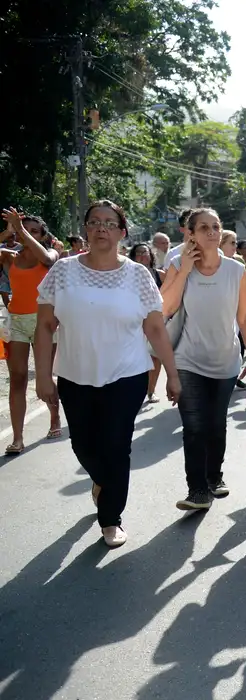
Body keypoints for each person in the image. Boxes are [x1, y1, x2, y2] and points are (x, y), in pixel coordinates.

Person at [33, 200, 181, 548]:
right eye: (95, 222)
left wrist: (172, 375)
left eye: (110, 223)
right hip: (75, 375)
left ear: (122, 232)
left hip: (127, 375)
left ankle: (111, 518)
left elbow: (155, 329)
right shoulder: (63, 271)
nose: (102, 227)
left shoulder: (138, 275)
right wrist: (42, 376)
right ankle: (102, 480)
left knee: (116, 447)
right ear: (85, 229)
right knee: (83, 445)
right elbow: (44, 326)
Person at [160, 208, 246, 511]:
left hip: (226, 360)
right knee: (194, 427)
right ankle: (197, 490)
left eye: (215, 226)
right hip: (188, 360)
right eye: (203, 228)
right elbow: (165, 307)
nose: (212, 232)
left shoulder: (236, 270)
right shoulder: (178, 264)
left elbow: (244, 317)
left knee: (216, 424)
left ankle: (214, 476)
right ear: (190, 234)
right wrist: (185, 269)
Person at [0, 209, 62, 453]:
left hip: (43, 320)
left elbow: (47, 259)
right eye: (24, 229)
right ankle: (17, 438)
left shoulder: (50, 253)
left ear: (43, 236)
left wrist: (21, 230)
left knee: (44, 375)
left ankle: (54, 417)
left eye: (34, 231)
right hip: (16, 321)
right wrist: (7, 232)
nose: (27, 234)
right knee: (17, 379)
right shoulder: (9, 256)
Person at [130, 243, 166, 404]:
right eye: (138, 253)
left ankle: (151, 391)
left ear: (151, 255)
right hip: (134, 321)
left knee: (155, 357)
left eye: (145, 252)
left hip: (156, 322)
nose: (142, 256)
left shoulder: (159, 275)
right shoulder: (127, 275)